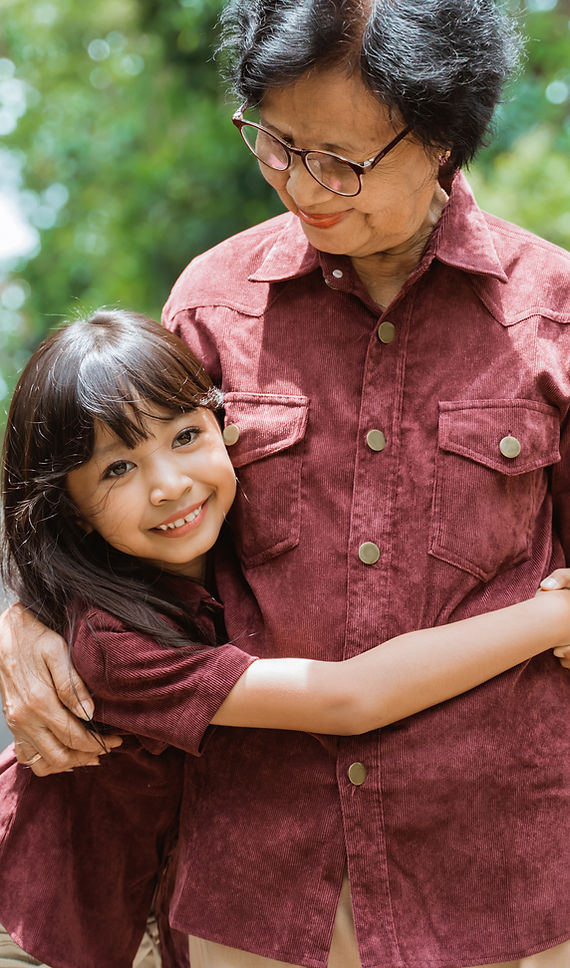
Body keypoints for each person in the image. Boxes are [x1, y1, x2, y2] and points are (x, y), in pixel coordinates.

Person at [1, 0, 570, 968]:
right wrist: (28, 624)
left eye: (341, 160)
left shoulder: (554, 317)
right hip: (254, 902)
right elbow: (109, 524)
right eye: (275, 141)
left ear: (444, 134)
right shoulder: (211, 304)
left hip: (509, 897)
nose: (302, 186)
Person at [4, 309, 569, 968]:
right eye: (116, 470)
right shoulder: (109, 644)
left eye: (186, 435)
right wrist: (550, 619)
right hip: (37, 923)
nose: (167, 485)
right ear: (68, 507)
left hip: (141, 907)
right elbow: (348, 698)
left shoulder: (233, 552)